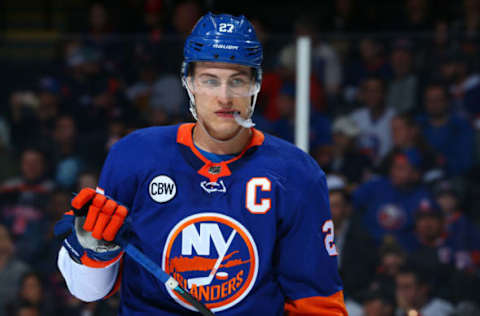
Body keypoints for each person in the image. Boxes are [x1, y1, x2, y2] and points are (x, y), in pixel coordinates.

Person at [55, 13, 347, 315]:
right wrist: (92, 250)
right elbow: (88, 290)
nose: (224, 97)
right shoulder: (134, 155)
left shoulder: (297, 173)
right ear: (189, 82)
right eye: (210, 80)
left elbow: (318, 303)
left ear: (256, 86)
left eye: (237, 80)